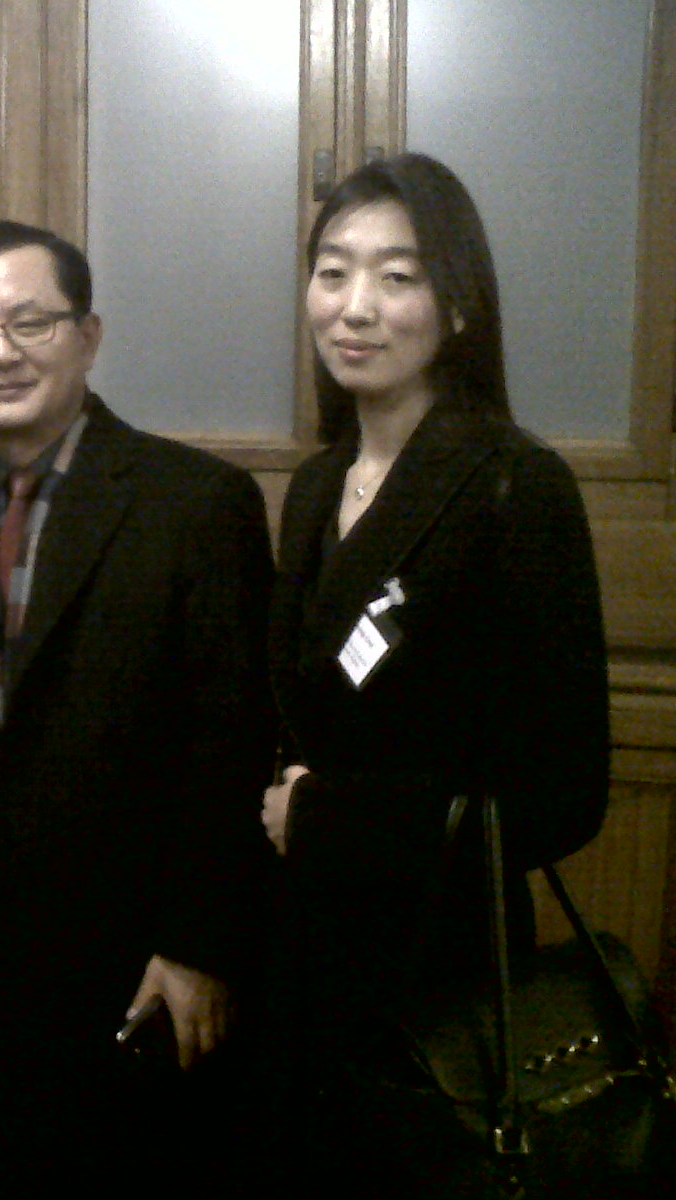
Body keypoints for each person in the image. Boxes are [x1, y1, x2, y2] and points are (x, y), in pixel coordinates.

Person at [0, 219, 275, 1194]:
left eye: (29, 321)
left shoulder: (194, 504)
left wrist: (195, 950)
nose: (0, 352)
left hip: (143, 971)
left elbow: (229, 743)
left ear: (88, 335)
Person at [260, 152, 609, 1196]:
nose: (353, 307)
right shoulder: (317, 484)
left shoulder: (513, 486)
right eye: (332, 271)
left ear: (456, 305)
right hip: (300, 959)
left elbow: (562, 796)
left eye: (396, 276)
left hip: (436, 977)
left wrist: (327, 817)